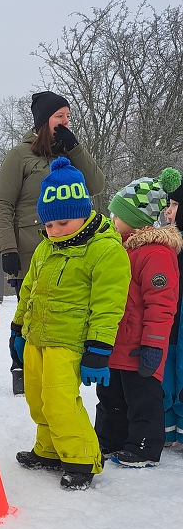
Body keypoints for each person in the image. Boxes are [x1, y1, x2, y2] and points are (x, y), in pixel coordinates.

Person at [11, 157, 130, 490]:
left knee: (61, 400)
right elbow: (29, 289)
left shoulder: (105, 250)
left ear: (84, 211)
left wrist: (99, 348)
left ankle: (82, 457)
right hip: (38, 337)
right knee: (37, 399)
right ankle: (49, 449)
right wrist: (17, 328)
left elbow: (108, 305)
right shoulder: (46, 249)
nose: (55, 231)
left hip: (70, 341)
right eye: (49, 225)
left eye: (63, 223)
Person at [0, 91, 105, 394]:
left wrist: (76, 149)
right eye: (60, 116)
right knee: (28, 312)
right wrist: (7, 249)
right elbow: (3, 204)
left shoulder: (68, 156)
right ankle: (22, 365)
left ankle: (55, 368)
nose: (66, 122)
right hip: (29, 251)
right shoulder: (20, 156)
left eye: (68, 116)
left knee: (59, 313)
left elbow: (97, 186)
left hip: (68, 250)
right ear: (44, 121)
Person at [95, 169, 182, 467]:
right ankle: (108, 440)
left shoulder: (155, 253)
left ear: (137, 219)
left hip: (139, 346)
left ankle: (145, 446)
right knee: (110, 397)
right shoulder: (119, 249)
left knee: (142, 399)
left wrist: (154, 345)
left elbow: (161, 303)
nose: (112, 218)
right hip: (116, 343)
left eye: (117, 214)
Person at [162, 181, 183, 447]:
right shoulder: (170, 242)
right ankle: (168, 431)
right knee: (168, 374)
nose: (169, 210)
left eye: (175, 204)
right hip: (172, 319)